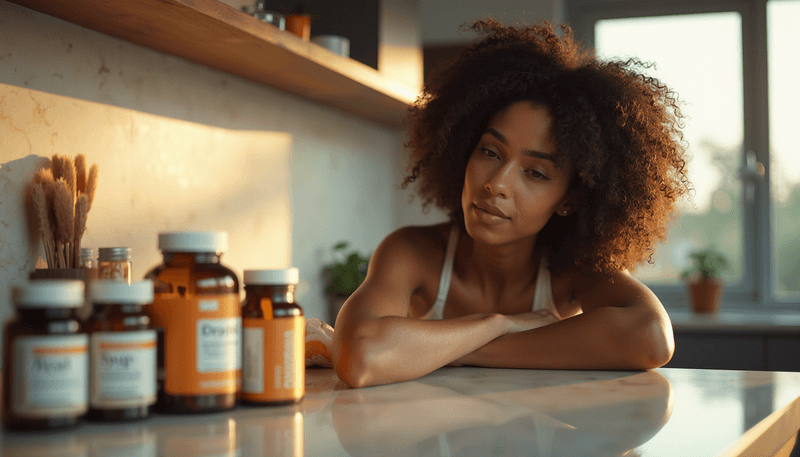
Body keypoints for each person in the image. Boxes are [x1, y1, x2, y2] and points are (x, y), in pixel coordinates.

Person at [332, 19, 691, 388]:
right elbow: (359, 357)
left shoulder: (573, 271)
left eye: (535, 173)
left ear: (569, 200)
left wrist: (452, 349)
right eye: (489, 151)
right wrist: (495, 323)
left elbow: (651, 337)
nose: (496, 183)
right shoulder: (412, 252)